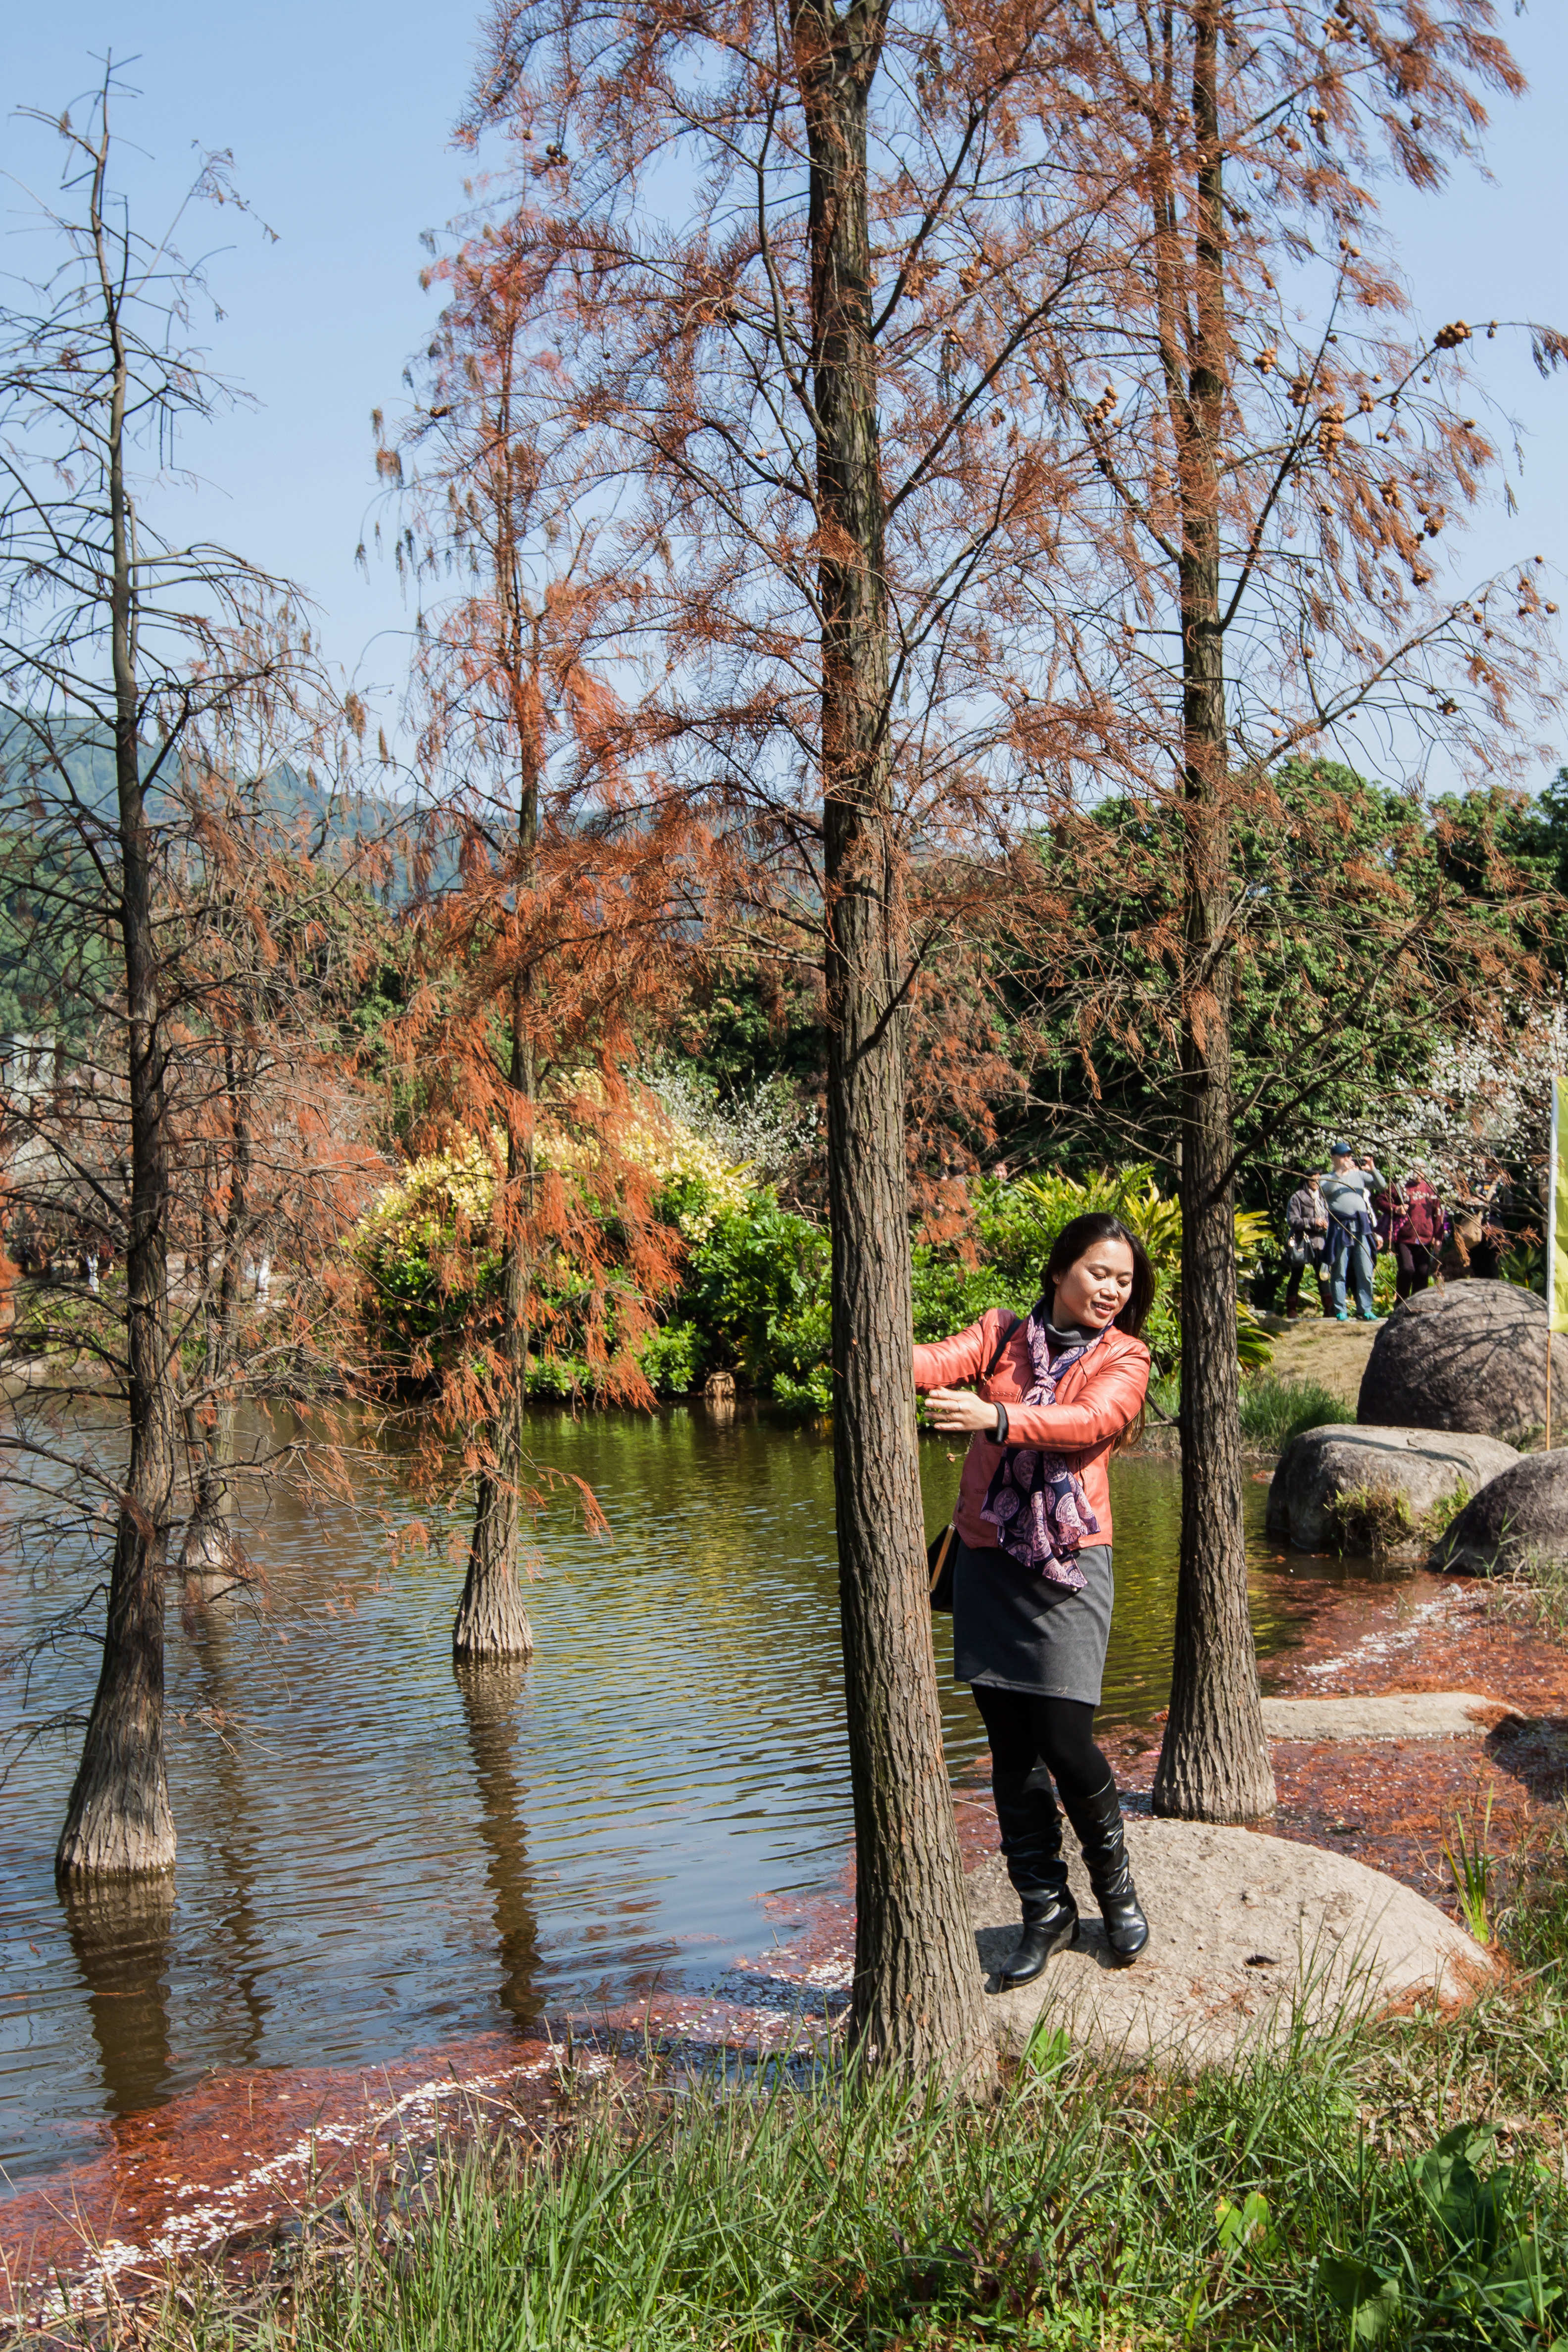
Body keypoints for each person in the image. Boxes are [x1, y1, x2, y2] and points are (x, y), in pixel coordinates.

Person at [913, 1214, 1153, 1989]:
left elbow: (1092, 1423)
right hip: (987, 1558)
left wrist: (999, 1417)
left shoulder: (1127, 1356)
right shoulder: (1002, 1332)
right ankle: (1045, 1909)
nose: (1111, 1290)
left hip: (1068, 1566)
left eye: (1122, 1279)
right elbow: (933, 1361)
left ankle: (1114, 1890)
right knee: (1011, 1749)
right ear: (1059, 1272)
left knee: (1066, 1736)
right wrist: (870, 1341)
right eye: (1098, 1273)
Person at [1321, 1143, 1382, 1322]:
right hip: (1340, 1226)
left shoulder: (1359, 1175)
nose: (1348, 1159)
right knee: (1340, 1270)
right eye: (1343, 1156)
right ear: (1334, 1157)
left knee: (1365, 1269)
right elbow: (1327, 1190)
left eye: (1349, 1155)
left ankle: (1365, 1309)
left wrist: (1373, 1170)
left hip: (1362, 1226)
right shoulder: (1327, 1177)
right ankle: (1341, 1310)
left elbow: (1382, 1185)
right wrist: (1341, 1173)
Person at [1283, 1172, 1331, 1318]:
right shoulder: (1297, 1197)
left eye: (1319, 1178)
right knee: (1296, 1275)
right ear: (1306, 1179)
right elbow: (1292, 1220)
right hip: (1301, 1241)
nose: (1316, 1181)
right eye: (1313, 1178)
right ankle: (1291, 1309)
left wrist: (1325, 1224)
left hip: (1319, 1241)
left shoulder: (1323, 1198)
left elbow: (1328, 1216)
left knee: (1323, 1275)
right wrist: (1312, 1221)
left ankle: (1329, 1309)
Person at [1392, 1167, 1444, 1299]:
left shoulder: (1431, 1189)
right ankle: (1401, 1303)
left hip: (1424, 1237)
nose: (1418, 1173)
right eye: (1415, 1169)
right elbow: (1382, 1200)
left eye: (1421, 1170)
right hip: (1404, 1237)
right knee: (1407, 1269)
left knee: (1422, 1272)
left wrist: (1439, 1237)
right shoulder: (1402, 1186)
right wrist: (1396, 1208)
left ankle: (1417, 1305)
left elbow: (1438, 1213)